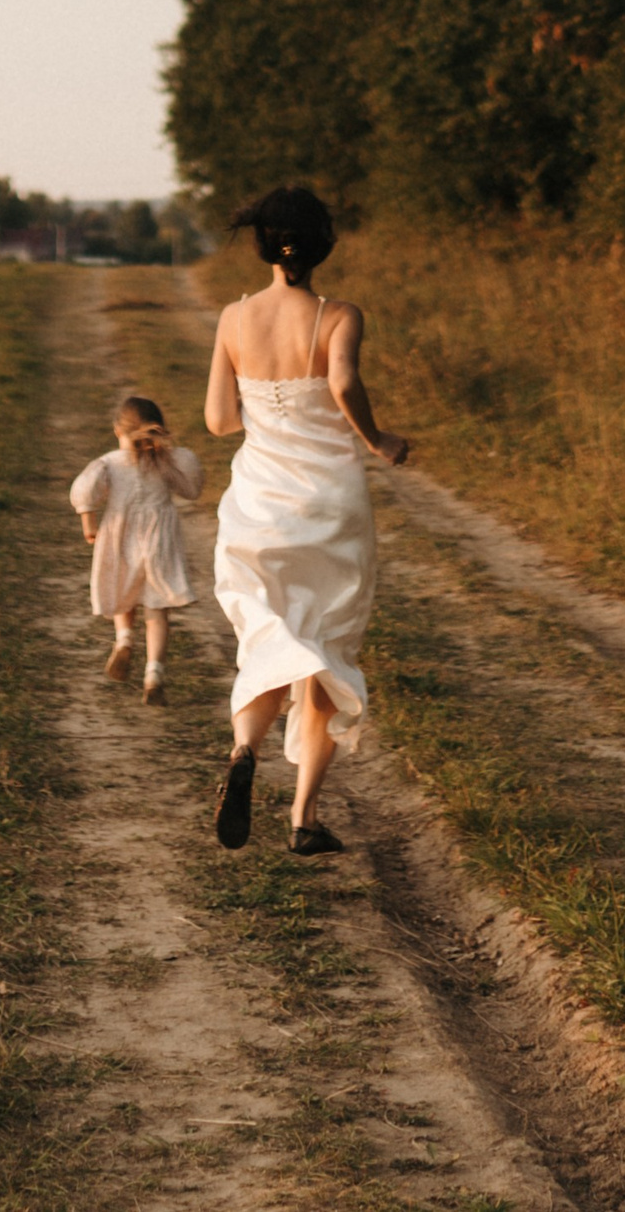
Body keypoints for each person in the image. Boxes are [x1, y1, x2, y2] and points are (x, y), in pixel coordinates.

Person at [205, 182, 409, 855]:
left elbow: (218, 421)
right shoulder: (339, 315)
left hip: (260, 503)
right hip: (329, 505)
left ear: (262, 245)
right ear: (322, 245)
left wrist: (263, 408)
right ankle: (304, 819)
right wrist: (379, 441)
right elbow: (344, 383)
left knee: (270, 638)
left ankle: (243, 750)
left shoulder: (234, 319)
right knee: (323, 652)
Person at [69, 390, 204, 704]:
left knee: (123, 591)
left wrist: (88, 524)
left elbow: (86, 491)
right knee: (156, 608)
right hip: (160, 540)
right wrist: (171, 457)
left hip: (121, 536)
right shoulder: (167, 461)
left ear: (118, 430)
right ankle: (154, 672)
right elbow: (192, 489)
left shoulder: (109, 463)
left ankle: (124, 640)